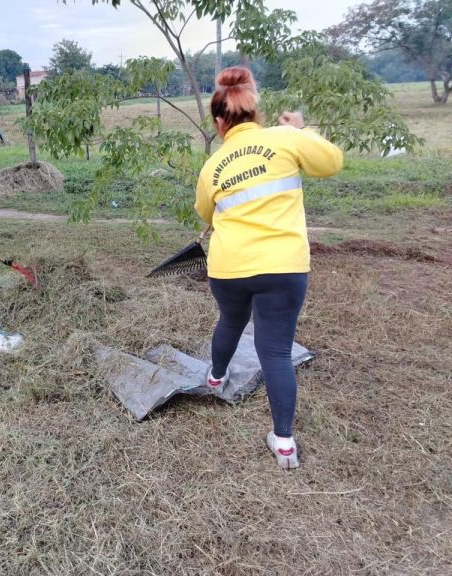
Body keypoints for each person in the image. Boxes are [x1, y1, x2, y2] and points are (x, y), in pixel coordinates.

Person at [195, 67, 343, 469]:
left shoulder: (212, 166)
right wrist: (302, 129)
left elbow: (205, 212)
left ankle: (215, 377)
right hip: (283, 266)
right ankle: (284, 442)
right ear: (254, 111)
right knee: (275, 351)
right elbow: (331, 162)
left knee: (230, 321)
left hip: (228, 267)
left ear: (219, 123)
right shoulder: (285, 138)